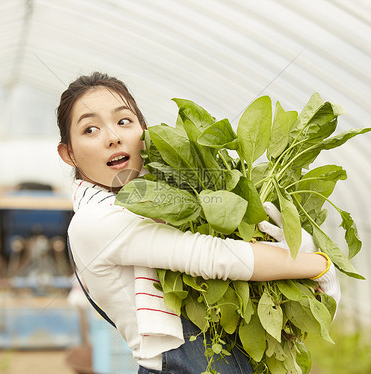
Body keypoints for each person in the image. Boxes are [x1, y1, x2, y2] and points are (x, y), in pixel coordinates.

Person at [56, 72, 340, 373]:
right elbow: (212, 255)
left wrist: (291, 249)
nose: (112, 137)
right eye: (90, 129)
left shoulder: (168, 199)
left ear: (144, 131)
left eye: (124, 121)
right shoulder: (95, 220)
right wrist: (316, 264)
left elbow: (265, 305)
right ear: (69, 154)